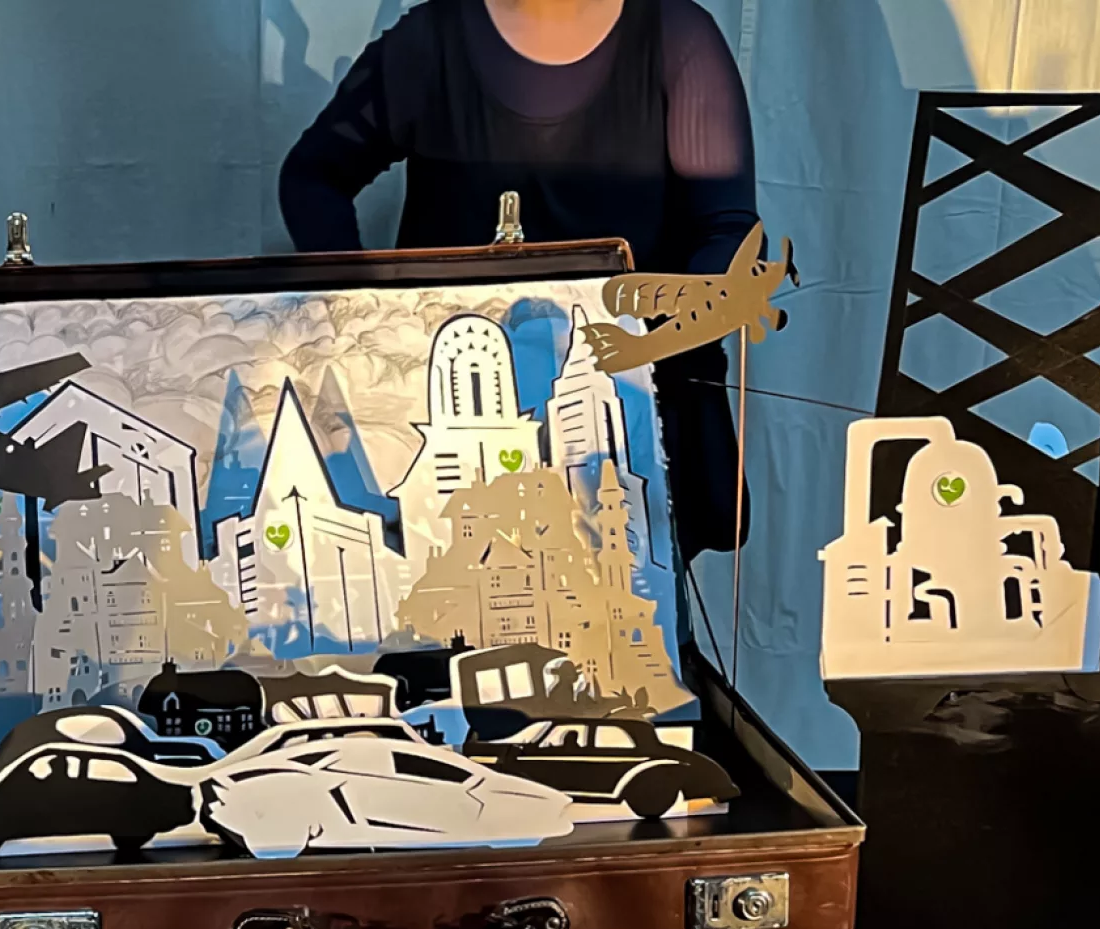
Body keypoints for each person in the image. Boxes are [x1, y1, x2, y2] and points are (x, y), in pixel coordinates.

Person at [280, 0, 758, 554]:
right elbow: (313, 177)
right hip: (454, 413)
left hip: (629, 420)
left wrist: (652, 336)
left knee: (628, 597)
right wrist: (369, 314)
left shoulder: (673, 36)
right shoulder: (432, 40)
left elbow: (728, 232)